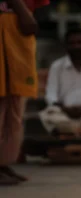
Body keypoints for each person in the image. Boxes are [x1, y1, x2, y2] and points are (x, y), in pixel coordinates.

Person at [0, 0, 49, 185]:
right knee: (3, 105)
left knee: (14, 108)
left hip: (13, 30)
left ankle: (3, 163)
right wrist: (19, 7)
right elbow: (29, 24)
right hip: (6, 28)